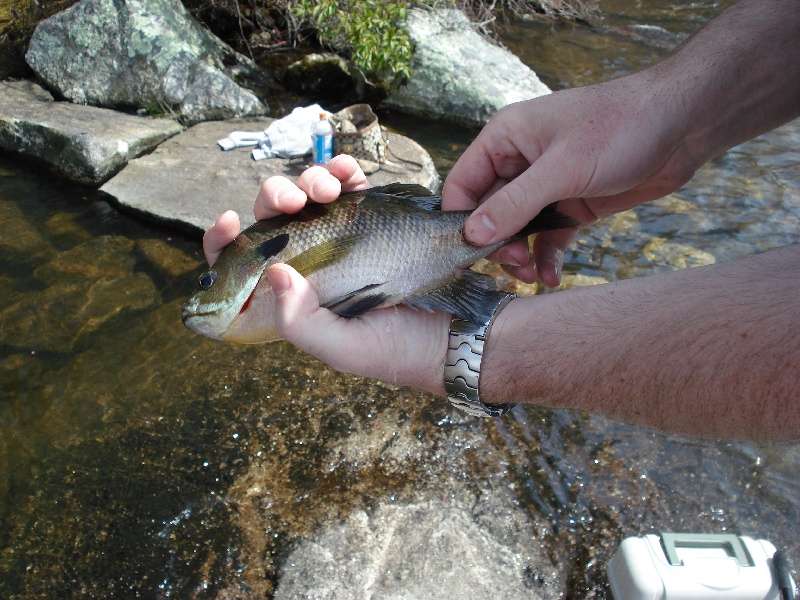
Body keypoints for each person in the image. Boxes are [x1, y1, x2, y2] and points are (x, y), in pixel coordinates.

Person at [203, 0, 800, 440]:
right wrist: (678, 110)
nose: (202, 293)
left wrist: (680, 113)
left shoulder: (260, 254)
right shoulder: (262, 276)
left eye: (207, 284)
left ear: (238, 268)